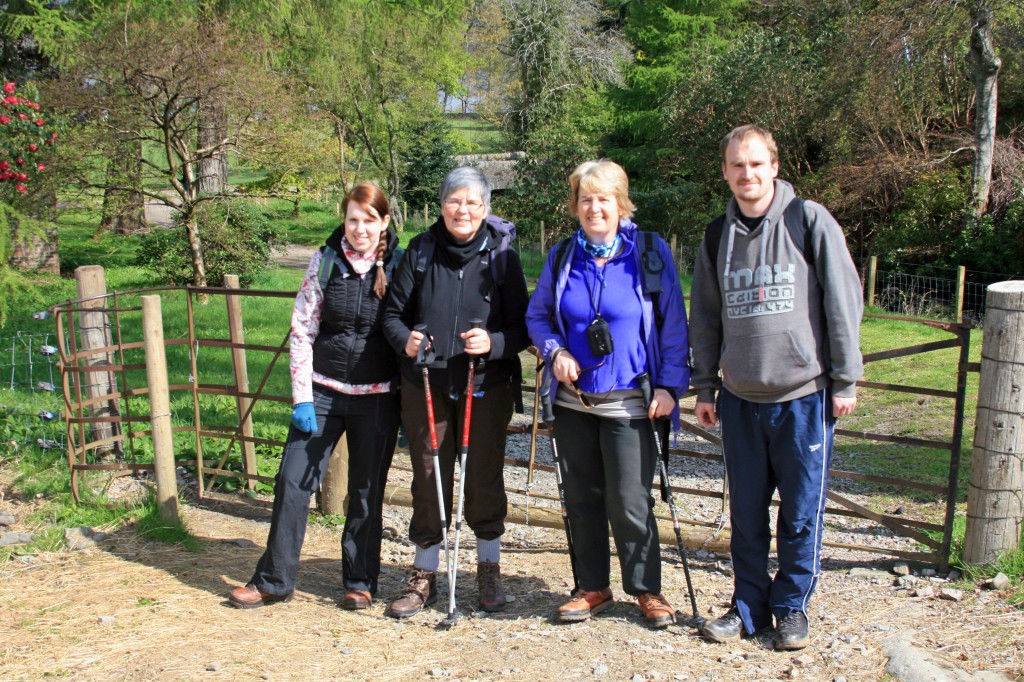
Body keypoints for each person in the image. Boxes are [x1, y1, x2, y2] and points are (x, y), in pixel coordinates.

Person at [690, 125, 863, 650]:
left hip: (804, 396)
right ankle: (747, 608)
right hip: (741, 398)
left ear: (774, 166)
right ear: (725, 172)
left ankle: (791, 608)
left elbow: (843, 301)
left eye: (757, 163)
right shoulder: (715, 237)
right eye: (738, 165)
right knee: (745, 514)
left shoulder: (807, 221)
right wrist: (704, 387)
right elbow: (705, 318)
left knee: (800, 512)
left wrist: (844, 377)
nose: (748, 174)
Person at [526, 160, 691, 629]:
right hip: (573, 400)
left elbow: (673, 326)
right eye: (585, 199)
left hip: (631, 401)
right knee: (581, 496)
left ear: (620, 203)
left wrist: (670, 386)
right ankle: (592, 586)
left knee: (630, 499)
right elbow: (538, 317)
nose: (594, 207)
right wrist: (555, 349)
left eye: (604, 199)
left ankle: (646, 590)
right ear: (575, 206)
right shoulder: (561, 258)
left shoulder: (649, 253)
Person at [228, 183, 402, 611]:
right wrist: (302, 397)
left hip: (378, 398)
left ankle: (360, 581)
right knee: (291, 481)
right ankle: (274, 579)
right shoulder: (323, 262)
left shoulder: (400, 266)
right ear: (344, 219)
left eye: (369, 220)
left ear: (384, 222)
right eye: (352, 219)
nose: (359, 228)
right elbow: (303, 330)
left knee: (365, 493)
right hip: (322, 394)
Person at [381, 166, 529, 619]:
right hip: (426, 383)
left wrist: (495, 343)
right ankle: (424, 574)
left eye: (472, 202)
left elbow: (524, 327)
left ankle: (488, 569)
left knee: (484, 478)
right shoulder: (420, 253)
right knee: (428, 477)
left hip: (485, 385)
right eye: (454, 200)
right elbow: (392, 316)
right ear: (441, 205)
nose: (462, 210)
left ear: (486, 209)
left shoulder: (502, 257)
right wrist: (405, 339)